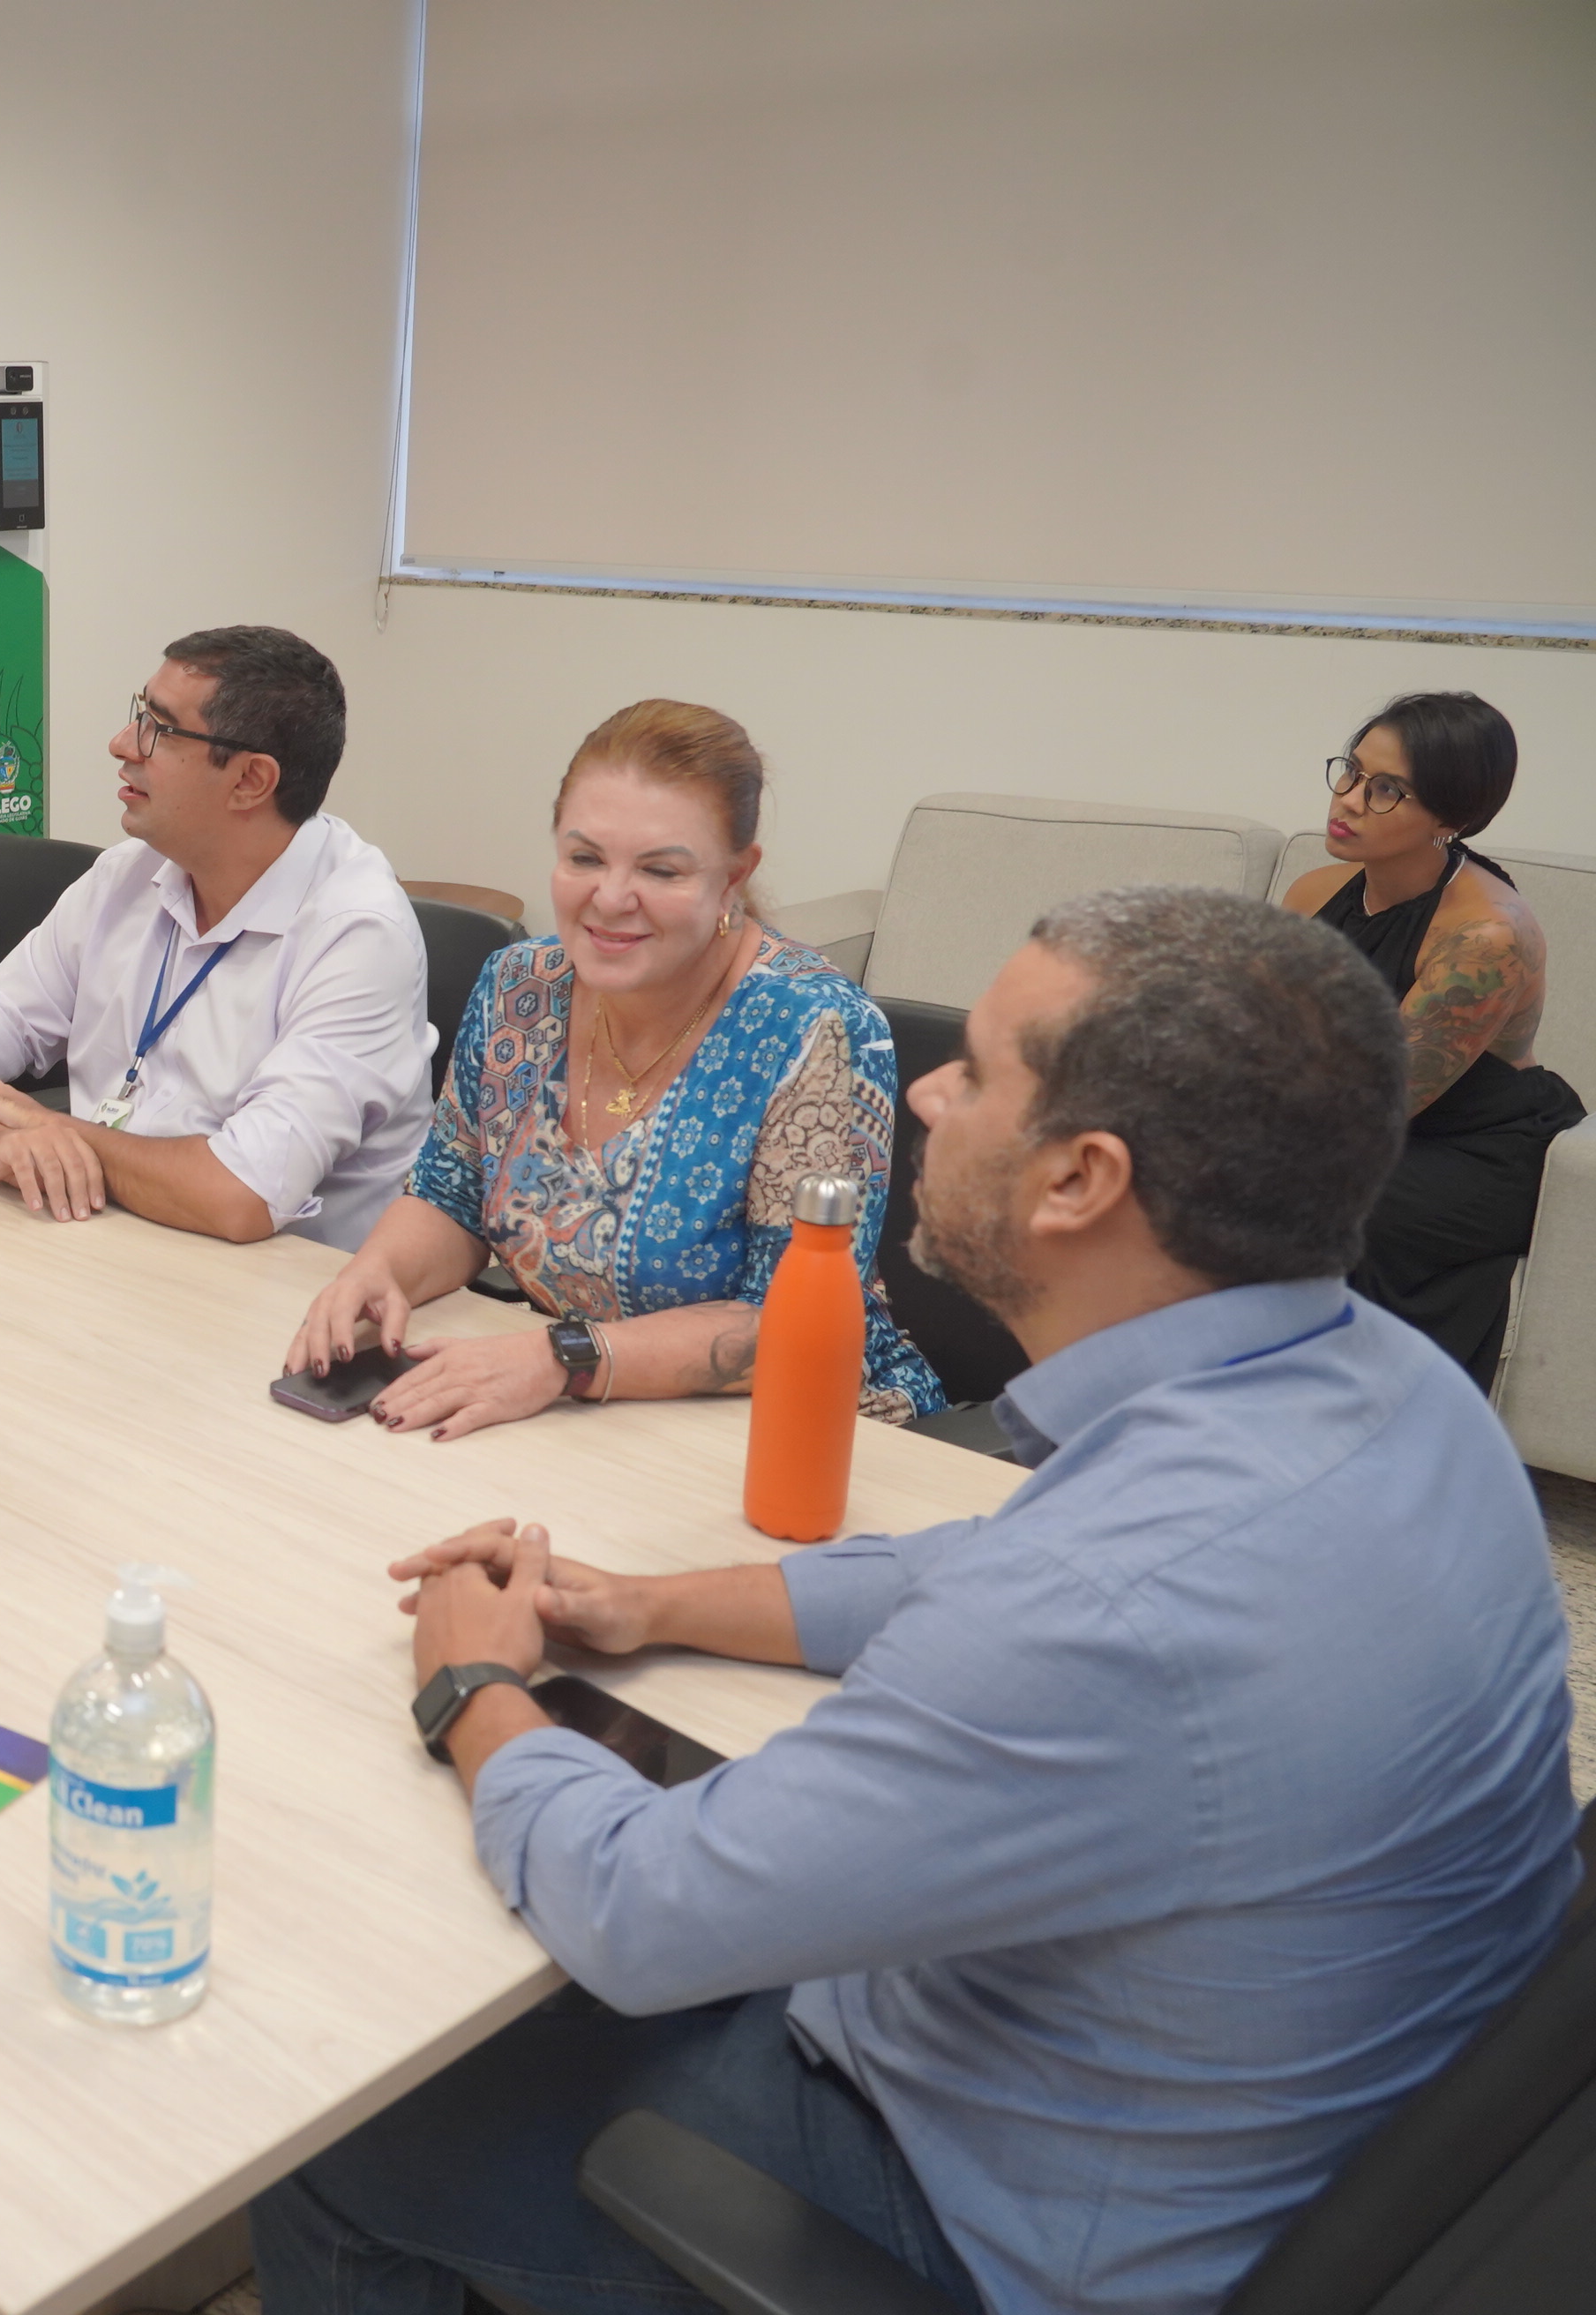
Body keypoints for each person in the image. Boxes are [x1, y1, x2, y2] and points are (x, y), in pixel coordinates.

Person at [252, 888, 1579, 2315]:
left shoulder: (1102, 1605)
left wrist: (471, 1684)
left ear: (1080, 1180)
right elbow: (981, 1563)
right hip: (1246, 2117)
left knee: (333, 2120)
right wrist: (647, 1603)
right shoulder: (1396, 1390)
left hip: (985, 2218)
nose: (929, 1093)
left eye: (978, 1073)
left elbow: (640, 1906)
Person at [287, 700, 943, 1437]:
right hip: (587, 1417)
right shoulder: (520, 987)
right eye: (585, 858)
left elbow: (795, 1323)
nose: (609, 898)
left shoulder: (815, 1031)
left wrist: (564, 1358)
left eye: (660, 869)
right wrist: (377, 1273)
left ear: (734, 877)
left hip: (807, 1430)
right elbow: (452, 1198)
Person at [0, 626, 431, 1247]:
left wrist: (47, 1126)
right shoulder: (126, 875)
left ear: (251, 781)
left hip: (280, 1286)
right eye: (138, 714)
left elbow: (241, 1197)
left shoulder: (360, 935)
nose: (123, 744)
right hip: (106, 1238)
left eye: (161, 729)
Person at [1279, 691, 1583, 1386]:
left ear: (1451, 819)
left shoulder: (1487, 936)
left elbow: (1371, 1107)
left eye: (1386, 790)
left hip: (1472, 1147)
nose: (1349, 800)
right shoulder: (1313, 892)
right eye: (1352, 771)